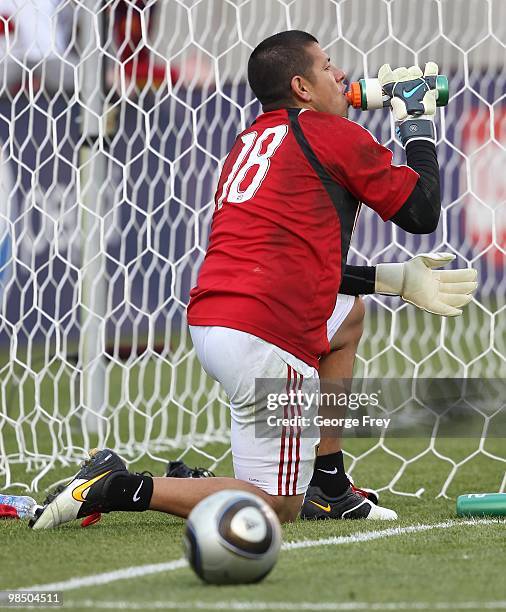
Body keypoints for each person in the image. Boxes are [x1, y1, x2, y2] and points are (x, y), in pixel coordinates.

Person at [29, 30, 477, 529]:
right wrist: (416, 122)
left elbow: (296, 263)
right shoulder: (332, 133)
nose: (343, 76)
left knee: (346, 316)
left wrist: (393, 280)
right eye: (329, 67)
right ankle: (116, 487)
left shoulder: (251, 139)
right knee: (275, 506)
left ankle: (329, 485)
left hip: (213, 322)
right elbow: (421, 211)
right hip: (266, 339)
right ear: (303, 87)